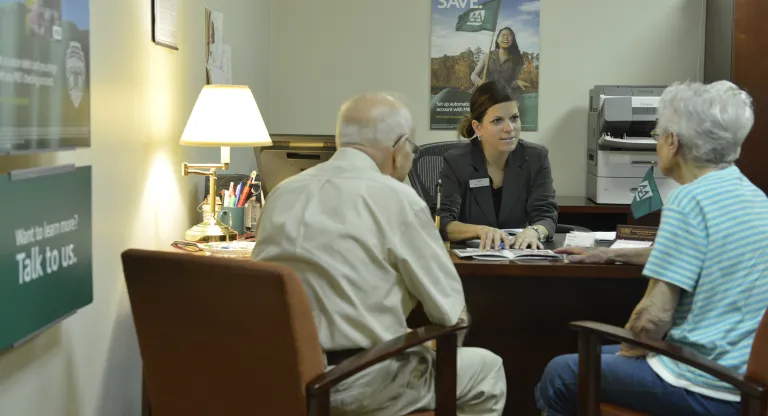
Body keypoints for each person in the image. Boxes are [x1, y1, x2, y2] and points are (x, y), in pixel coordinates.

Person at [251, 92, 507, 416]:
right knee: (487, 369)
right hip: (358, 383)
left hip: (282, 377)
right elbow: (450, 314)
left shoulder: (281, 193)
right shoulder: (399, 199)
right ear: (400, 149)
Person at [536, 80, 768, 416]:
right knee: (593, 361)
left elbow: (653, 319)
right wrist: (611, 253)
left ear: (672, 142)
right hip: (744, 384)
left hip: (700, 382)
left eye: (658, 133)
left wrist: (630, 347)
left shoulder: (689, 200)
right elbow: (697, 255)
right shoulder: (753, 197)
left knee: (561, 373)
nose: (656, 141)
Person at [435, 80, 557, 250]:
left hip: (517, 258)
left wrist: (534, 231)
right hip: (471, 263)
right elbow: (443, 223)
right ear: (478, 128)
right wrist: (481, 231)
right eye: (498, 121)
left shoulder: (536, 158)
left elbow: (546, 215)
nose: (509, 128)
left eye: (514, 118)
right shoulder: (456, 162)